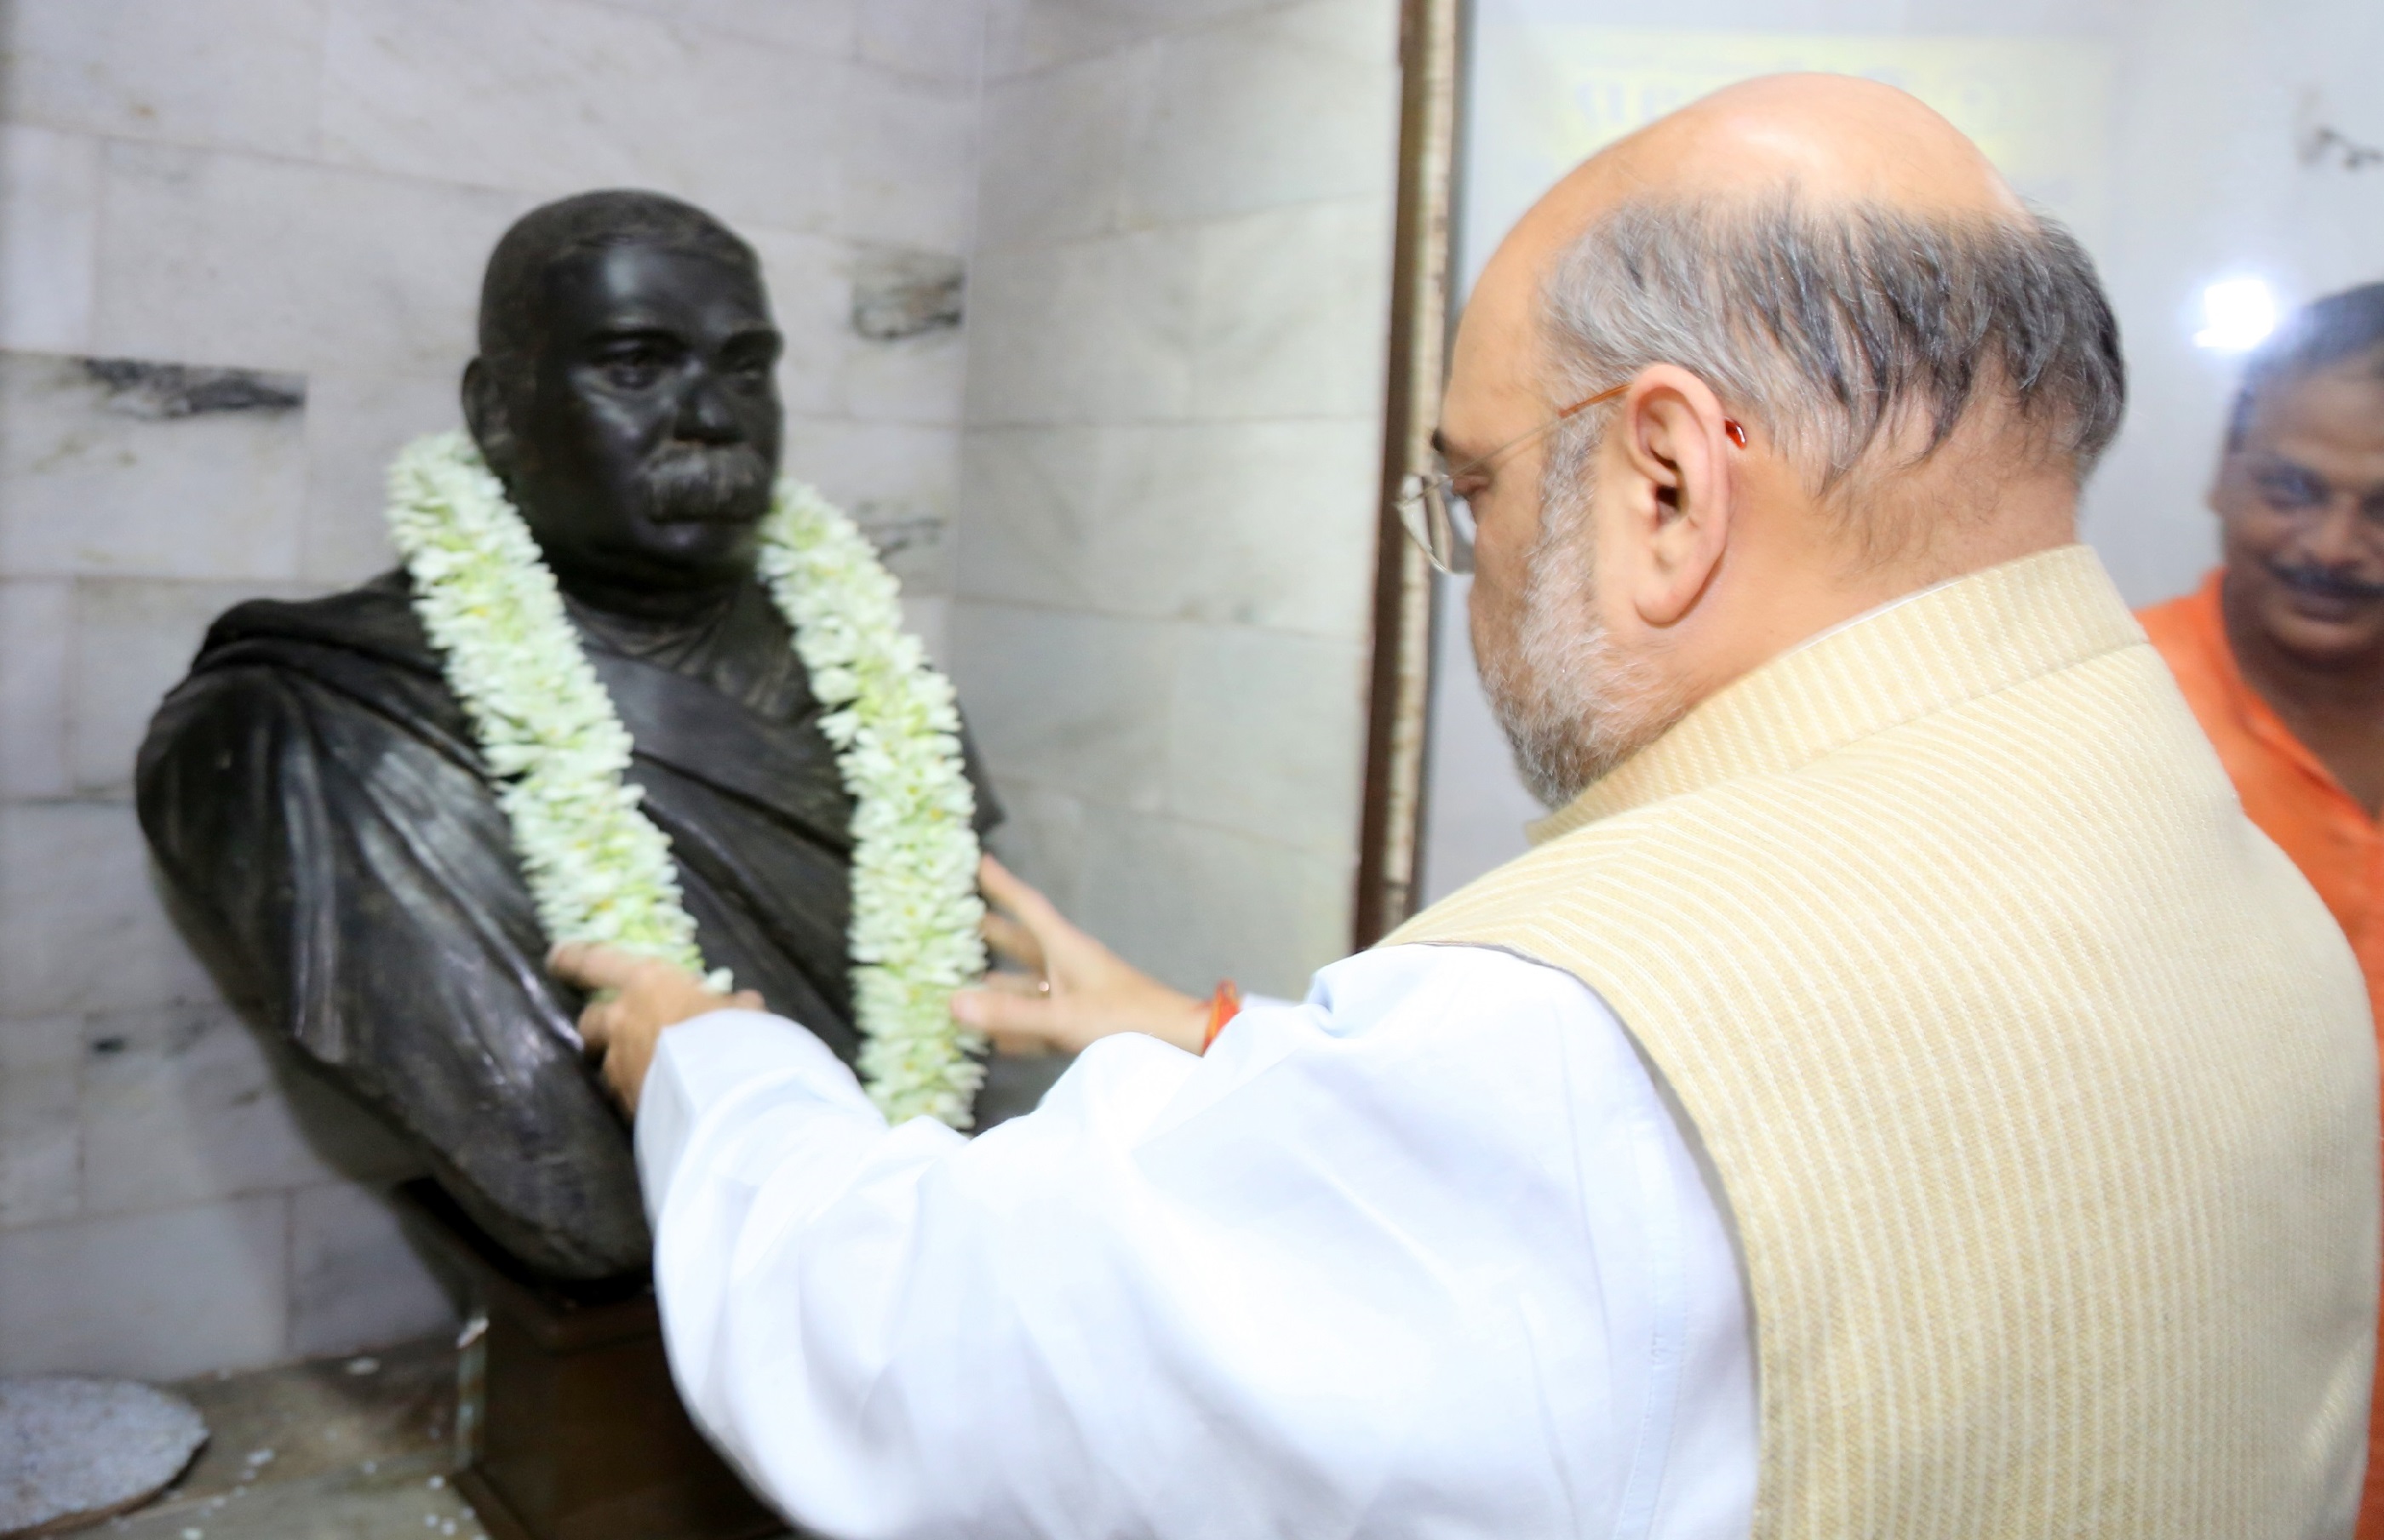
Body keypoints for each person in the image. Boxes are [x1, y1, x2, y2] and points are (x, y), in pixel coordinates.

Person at [554, 77, 2380, 1537]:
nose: (1471, 565)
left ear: (1664, 485)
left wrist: (714, 1064)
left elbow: (900, 1362)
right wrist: (1225, 1050)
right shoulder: (2214, 859)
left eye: (1476, 492)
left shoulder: (1571, 1053)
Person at [135, 191, 1018, 1284]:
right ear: (497, 409)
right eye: (638, 366)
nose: (711, 412)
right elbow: (578, 1196)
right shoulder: (301, 729)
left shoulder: (896, 716)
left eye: (745, 367)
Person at [2137, 282, 2384, 1538]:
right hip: (2187, 1451)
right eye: (2292, 487)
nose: (2332, 548)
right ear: (2224, 469)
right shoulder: (2103, 728)